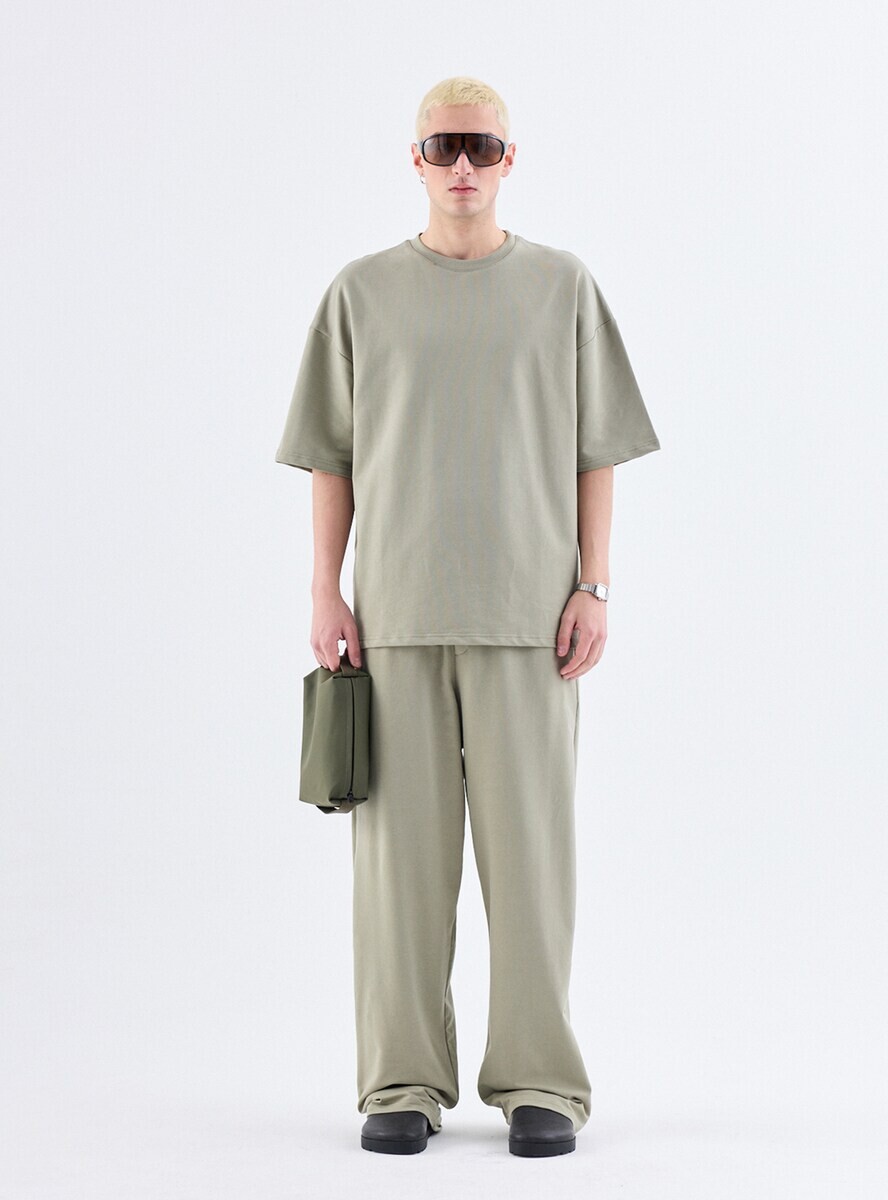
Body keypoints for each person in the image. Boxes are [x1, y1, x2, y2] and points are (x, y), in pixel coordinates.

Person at [275, 76, 661, 1157]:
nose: (461, 165)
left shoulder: (561, 286)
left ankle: (542, 1082)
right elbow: (331, 456)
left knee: (533, 868)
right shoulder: (360, 293)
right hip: (394, 618)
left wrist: (594, 585)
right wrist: (324, 587)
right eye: (443, 146)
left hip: (532, 623)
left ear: (509, 159)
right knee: (398, 875)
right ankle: (401, 1082)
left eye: (481, 147)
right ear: (414, 159)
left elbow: (595, 448)